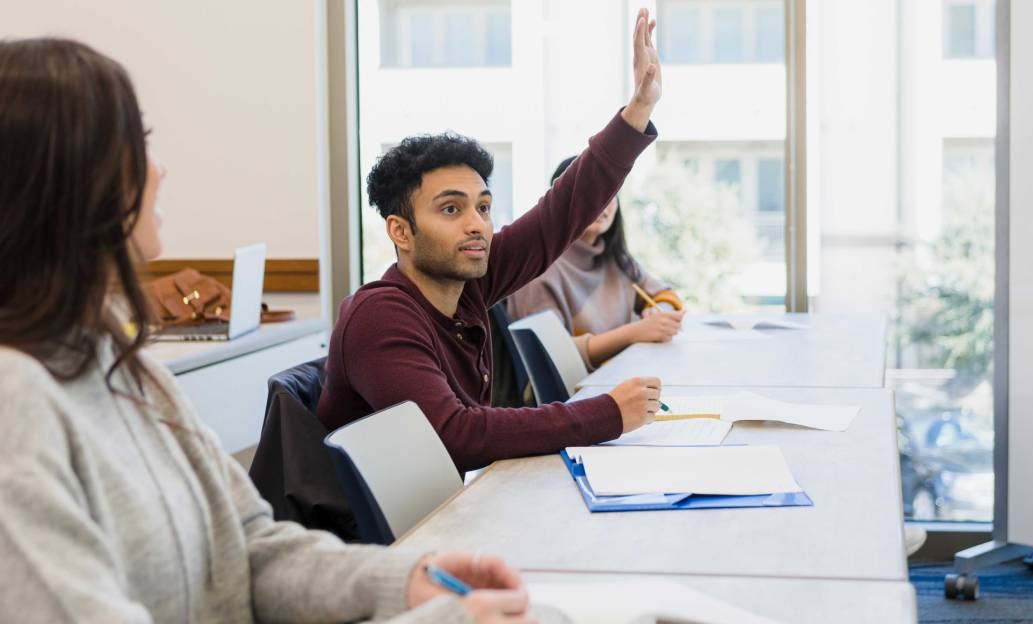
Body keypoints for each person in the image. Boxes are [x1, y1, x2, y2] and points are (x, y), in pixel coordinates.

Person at [0, 38, 532, 623]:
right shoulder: (16, 402)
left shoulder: (130, 370)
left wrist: (410, 583)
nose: (159, 168)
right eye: (136, 144)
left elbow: (251, 547)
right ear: (63, 180)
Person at [317, 10, 665, 473]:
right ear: (400, 231)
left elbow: (559, 213)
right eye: (450, 209)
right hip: (387, 538)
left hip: (450, 505)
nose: (477, 224)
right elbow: (455, 436)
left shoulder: (467, 282)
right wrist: (606, 413)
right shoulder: (379, 316)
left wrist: (637, 110)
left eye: (482, 206)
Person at [507, 155, 685, 370]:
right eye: (588, 192)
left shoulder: (616, 259)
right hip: (576, 395)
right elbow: (552, 357)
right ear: (558, 201)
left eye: (610, 192)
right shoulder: (539, 267)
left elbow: (663, 293)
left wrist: (658, 312)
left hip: (621, 377)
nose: (601, 202)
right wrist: (637, 332)